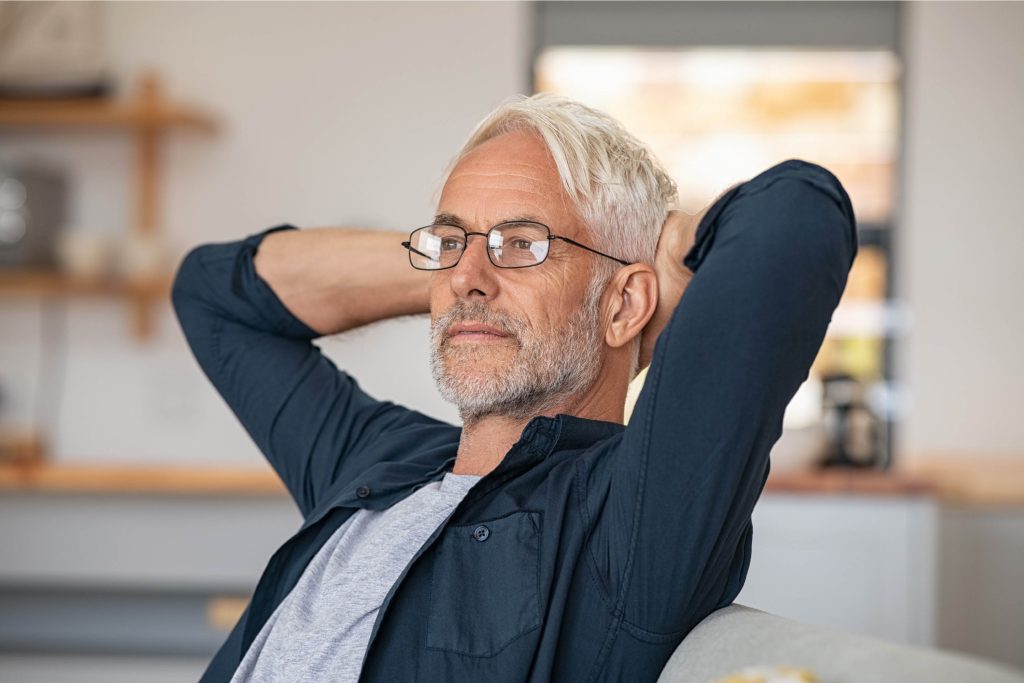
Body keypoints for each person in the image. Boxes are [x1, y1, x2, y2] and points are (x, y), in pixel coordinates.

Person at [171, 93, 857, 683]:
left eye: (524, 242)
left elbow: (798, 216)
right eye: (449, 242)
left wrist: (661, 253)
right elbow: (211, 294)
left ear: (622, 305)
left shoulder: (627, 519)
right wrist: (464, 267)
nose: (468, 275)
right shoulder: (380, 460)